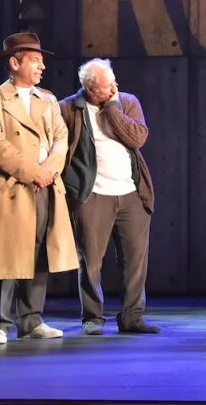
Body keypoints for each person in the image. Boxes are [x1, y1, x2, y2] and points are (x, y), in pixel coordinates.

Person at [0, 32, 79, 344]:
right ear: (14, 62)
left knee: (38, 252)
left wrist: (47, 172)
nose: (41, 67)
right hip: (12, 185)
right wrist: (33, 172)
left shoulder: (48, 99)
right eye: (35, 60)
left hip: (45, 185)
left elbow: (61, 139)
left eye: (41, 61)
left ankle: (32, 319)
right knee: (5, 253)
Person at [60, 58, 159, 335]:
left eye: (114, 81)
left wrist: (113, 108)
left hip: (131, 193)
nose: (114, 88)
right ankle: (93, 317)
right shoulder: (68, 108)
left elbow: (137, 138)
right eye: (107, 86)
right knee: (91, 261)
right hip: (92, 194)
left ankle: (132, 317)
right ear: (90, 89)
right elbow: (60, 148)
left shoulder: (126, 101)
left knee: (135, 260)